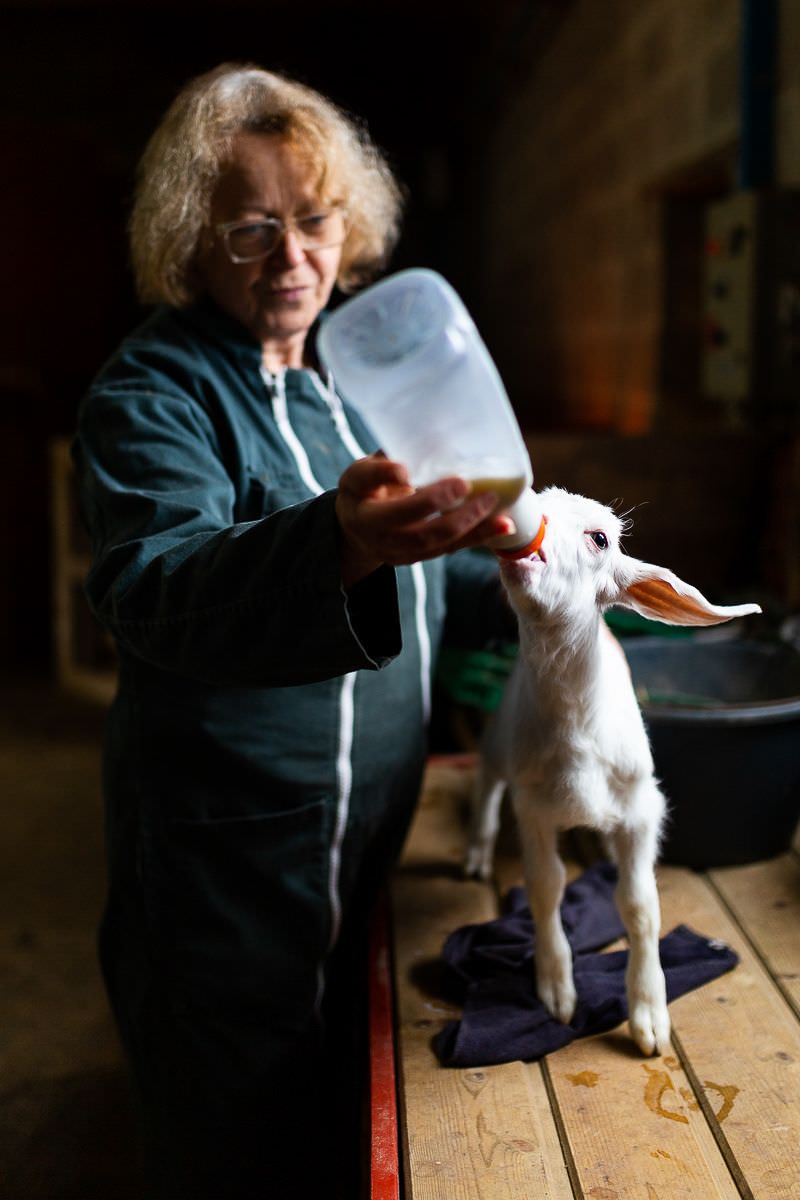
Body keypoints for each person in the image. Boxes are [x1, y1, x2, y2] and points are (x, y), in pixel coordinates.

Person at [73, 63, 516, 1199]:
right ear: (188, 238)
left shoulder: (344, 387)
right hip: (228, 859)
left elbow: (429, 580)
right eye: (250, 227)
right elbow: (155, 585)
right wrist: (341, 542)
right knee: (229, 1135)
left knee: (342, 1115)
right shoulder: (152, 396)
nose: (293, 257)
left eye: (314, 218)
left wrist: (520, 586)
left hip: (370, 834)